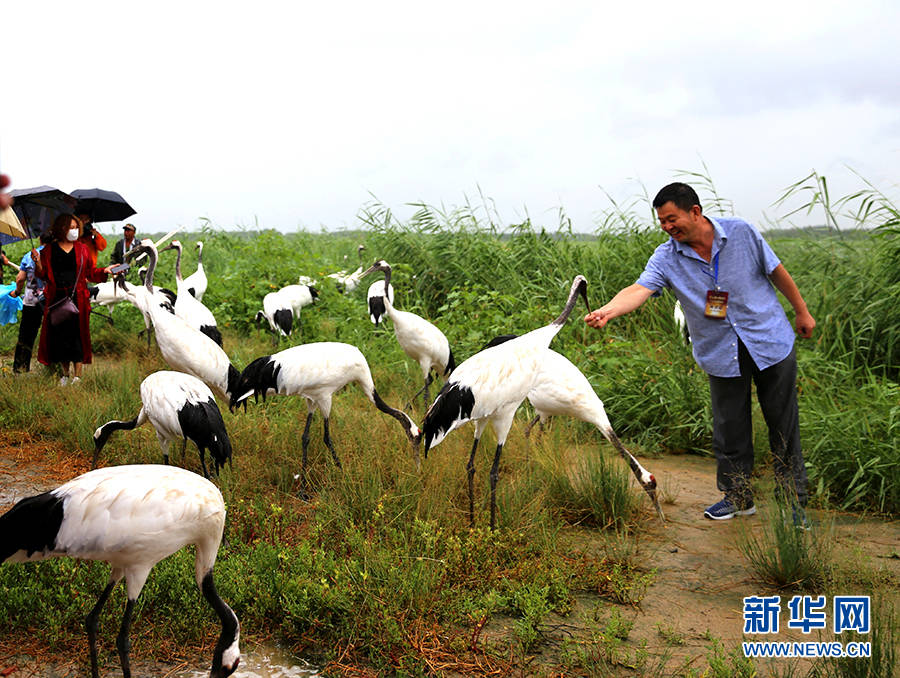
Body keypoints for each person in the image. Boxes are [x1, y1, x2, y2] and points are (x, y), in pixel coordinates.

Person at [585, 182, 815, 524]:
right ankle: (738, 498)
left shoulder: (742, 233)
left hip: (769, 341)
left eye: (671, 218)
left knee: (783, 425)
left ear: (695, 211)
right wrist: (610, 310)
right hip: (721, 352)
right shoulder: (666, 256)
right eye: (661, 221)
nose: (666, 227)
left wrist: (801, 311)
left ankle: (795, 505)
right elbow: (639, 288)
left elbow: (776, 271)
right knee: (729, 429)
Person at [32, 214, 112, 385]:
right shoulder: (48, 250)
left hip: (78, 298)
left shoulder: (82, 249)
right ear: (62, 228)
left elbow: (91, 273)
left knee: (78, 335)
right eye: (71, 227)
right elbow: (43, 274)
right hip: (57, 298)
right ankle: (64, 374)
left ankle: (78, 376)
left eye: (76, 227)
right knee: (61, 336)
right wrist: (37, 262)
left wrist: (105, 271)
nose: (74, 231)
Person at [10, 232, 53, 372]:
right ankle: (53, 368)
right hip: (51, 300)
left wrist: (17, 292)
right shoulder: (56, 255)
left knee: (26, 334)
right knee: (51, 333)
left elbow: (20, 279)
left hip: (31, 300)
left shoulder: (29, 255)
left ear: (40, 239)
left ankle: (20, 368)